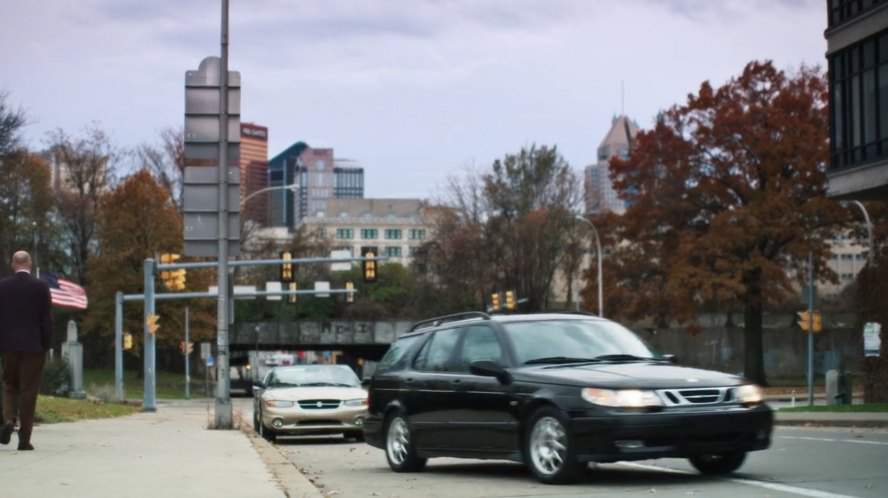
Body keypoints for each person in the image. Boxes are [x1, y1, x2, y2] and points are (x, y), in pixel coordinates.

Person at [0, 251, 52, 451]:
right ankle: (24, 439)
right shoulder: (41, 287)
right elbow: (46, 320)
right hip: (33, 347)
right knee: (28, 390)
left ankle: (9, 420)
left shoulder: (2, 286)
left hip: (8, 347)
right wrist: (45, 345)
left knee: (9, 385)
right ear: (29, 264)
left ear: (13, 264)